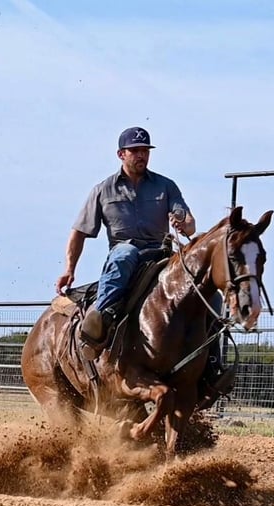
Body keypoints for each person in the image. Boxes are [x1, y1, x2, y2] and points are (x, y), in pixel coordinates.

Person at [55, 126, 196, 355]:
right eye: (135, 150)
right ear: (121, 154)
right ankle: (98, 322)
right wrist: (69, 270)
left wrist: (184, 224)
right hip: (124, 253)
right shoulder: (103, 190)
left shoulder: (166, 186)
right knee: (125, 254)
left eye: (145, 150)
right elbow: (79, 232)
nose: (142, 155)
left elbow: (189, 222)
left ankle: (212, 359)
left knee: (200, 281)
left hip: (161, 253)